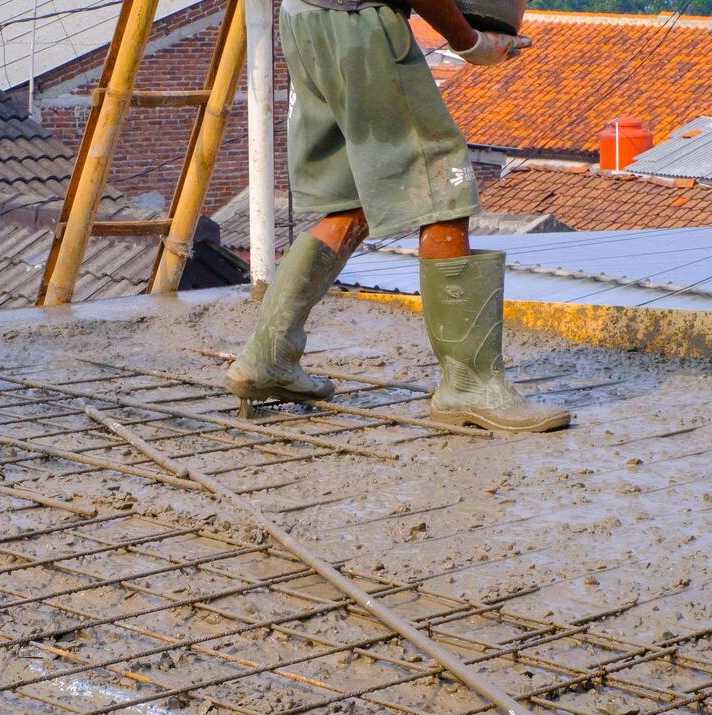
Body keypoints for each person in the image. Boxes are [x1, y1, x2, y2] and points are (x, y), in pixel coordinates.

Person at [224, 0, 571, 433]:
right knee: (442, 188)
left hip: (305, 20)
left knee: (353, 198)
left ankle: (267, 358)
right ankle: (469, 386)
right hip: (360, 24)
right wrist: (470, 40)